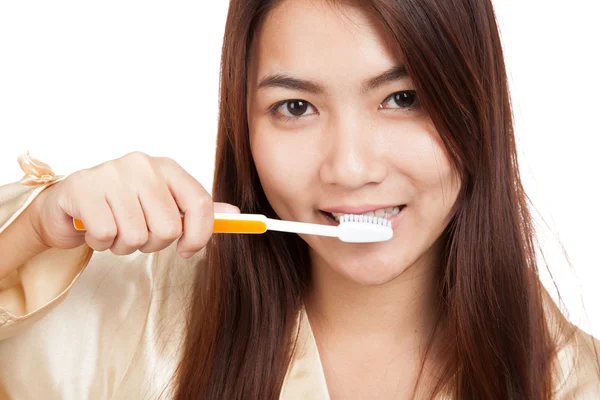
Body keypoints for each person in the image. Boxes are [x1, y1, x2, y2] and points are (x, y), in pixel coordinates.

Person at [0, 0, 598, 398]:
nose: (351, 168)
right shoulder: (132, 306)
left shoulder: (574, 381)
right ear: (246, 129)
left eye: (404, 98)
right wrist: (34, 231)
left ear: (478, 102)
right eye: (296, 108)